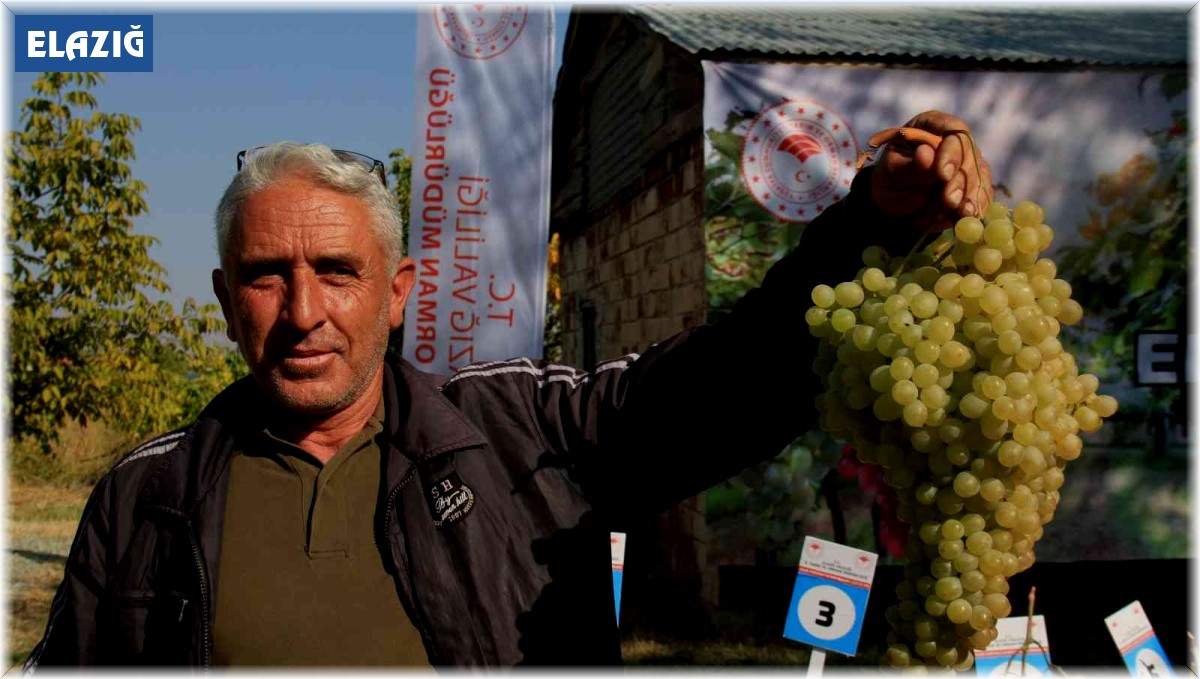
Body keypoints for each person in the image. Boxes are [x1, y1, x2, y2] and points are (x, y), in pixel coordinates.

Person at [26, 111, 990, 668]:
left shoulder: (519, 431)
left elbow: (718, 389)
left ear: (398, 293)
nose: (304, 309)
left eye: (338, 270)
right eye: (267, 275)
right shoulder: (142, 499)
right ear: (227, 304)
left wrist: (866, 223)